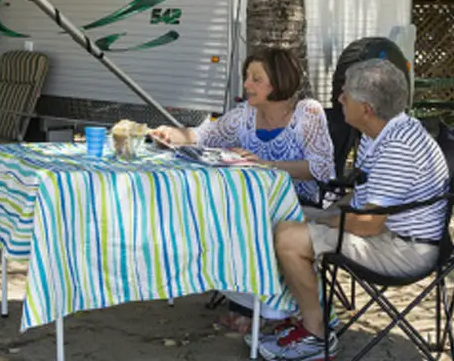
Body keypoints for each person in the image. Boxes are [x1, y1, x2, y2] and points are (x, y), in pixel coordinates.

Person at [257, 59, 449, 361]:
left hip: (404, 250)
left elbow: (369, 224)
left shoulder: (398, 147)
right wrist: (319, 216)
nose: (339, 98)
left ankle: (315, 337)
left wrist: (323, 220)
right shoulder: (388, 132)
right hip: (391, 237)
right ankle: (312, 314)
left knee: (289, 238)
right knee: (288, 221)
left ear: (367, 108)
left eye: (345, 93)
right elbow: (361, 199)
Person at [151, 47, 334, 331]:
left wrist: (268, 165)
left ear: (279, 81)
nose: (247, 84)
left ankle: (266, 309)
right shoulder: (244, 115)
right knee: (207, 216)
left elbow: (321, 168)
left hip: (294, 200)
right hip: (248, 201)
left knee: (244, 222)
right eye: (247, 77)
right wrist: (173, 134)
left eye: (256, 79)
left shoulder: (307, 113)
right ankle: (249, 304)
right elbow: (201, 136)